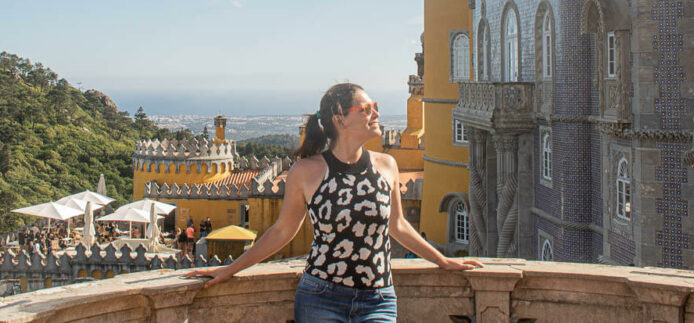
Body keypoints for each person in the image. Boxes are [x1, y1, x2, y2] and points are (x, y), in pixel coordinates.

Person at [187, 82, 480, 321]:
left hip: (378, 298)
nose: (376, 113)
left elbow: (399, 226)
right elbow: (281, 232)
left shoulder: (386, 166)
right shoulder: (306, 171)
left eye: (375, 107)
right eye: (367, 109)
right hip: (321, 297)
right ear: (340, 119)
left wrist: (443, 261)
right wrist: (229, 269)